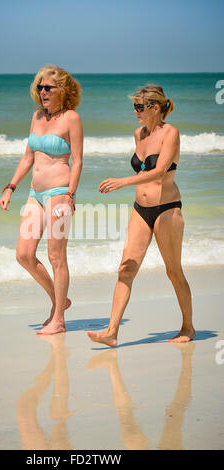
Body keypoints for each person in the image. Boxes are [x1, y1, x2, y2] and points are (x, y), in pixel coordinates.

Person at [87, 84, 196, 347]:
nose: (135, 112)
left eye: (139, 107)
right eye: (134, 106)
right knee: (126, 268)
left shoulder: (171, 133)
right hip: (141, 210)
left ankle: (188, 327)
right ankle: (112, 332)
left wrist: (122, 182)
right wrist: (131, 183)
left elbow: (159, 171)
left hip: (167, 209)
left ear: (155, 108)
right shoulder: (139, 133)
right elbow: (142, 170)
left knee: (173, 271)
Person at [0, 65, 83, 335]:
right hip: (35, 194)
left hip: (59, 194)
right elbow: (28, 157)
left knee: (56, 256)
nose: (43, 92)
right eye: (40, 87)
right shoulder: (36, 116)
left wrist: (71, 196)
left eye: (48, 87)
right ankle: (60, 301)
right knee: (24, 254)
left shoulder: (72, 118)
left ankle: (58, 319)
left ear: (63, 90)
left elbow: (78, 161)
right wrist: (11, 187)